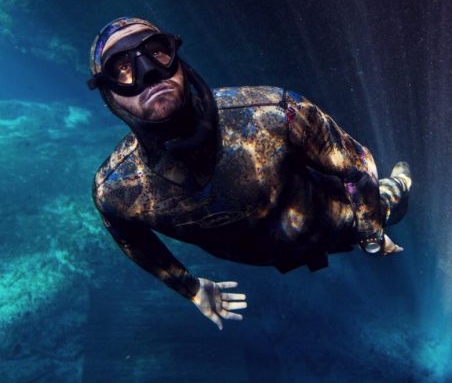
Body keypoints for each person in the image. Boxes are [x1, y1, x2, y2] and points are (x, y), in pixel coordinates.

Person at [88, 17, 412, 330]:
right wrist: (191, 288)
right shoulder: (116, 190)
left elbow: (357, 165)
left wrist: (370, 232)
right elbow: (134, 242)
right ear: (108, 94)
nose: (148, 72)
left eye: (158, 51)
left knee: (391, 209)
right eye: (121, 67)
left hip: (341, 222)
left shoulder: (277, 112)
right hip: (275, 256)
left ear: (178, 58)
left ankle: (401, 181)